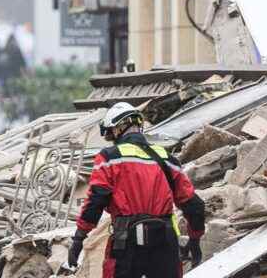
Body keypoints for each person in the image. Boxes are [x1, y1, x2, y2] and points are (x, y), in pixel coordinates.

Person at [66, 103, 206, 278]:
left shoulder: (110, 157)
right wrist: (195, 239)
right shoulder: (167, 158)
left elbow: (96, 200)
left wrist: (79, 238)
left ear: (119, 128)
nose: (111, 139)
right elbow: (194, 205)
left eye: (111, 133)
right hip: (165, 243)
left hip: (127, 243)